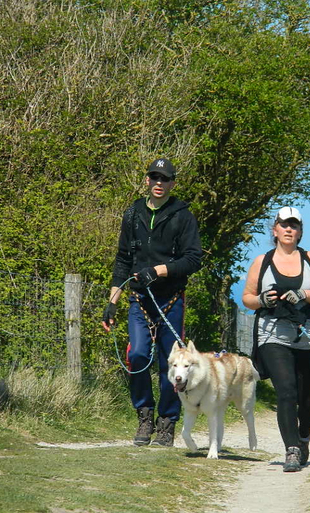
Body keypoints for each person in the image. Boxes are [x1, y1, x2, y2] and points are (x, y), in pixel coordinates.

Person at [101, 157, 202, 447]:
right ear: (147, 180)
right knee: (137, 356)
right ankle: (144, 415)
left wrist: (157, 271)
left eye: (165, 179)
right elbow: (122, 260)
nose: (159, 183)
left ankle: (167, 422)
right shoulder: (132, 214)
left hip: (171, 300)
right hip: (139, 300)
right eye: (154, 178)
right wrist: (112, 302)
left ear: (172, 183)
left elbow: (193, 259)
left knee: (171, 364)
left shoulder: (183, 216)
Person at [242, 206, 310, 472]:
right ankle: (291, 449)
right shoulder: (262, 261)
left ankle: (303, 438)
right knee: (286, 391)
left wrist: (304, 294)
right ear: (275, 229)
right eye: (284, 224)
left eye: (294, 225)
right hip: (272, 333)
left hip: (306, 335)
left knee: (309, 399)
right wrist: (261, 300)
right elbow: (247, 298)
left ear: (300, 231)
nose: (289, 229)